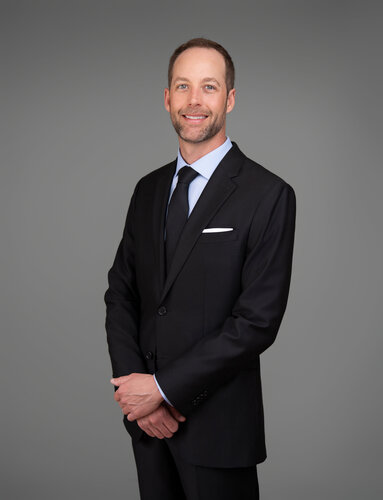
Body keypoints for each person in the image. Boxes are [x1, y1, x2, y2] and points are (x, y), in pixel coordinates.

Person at [104, 37, 296, 500]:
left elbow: (255, 323)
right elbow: (121, 294)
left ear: (229, 98)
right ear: (167, 97)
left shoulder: (268, 194)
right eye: (183, 86)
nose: (194, 100)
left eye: (209, 87)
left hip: (219, 430)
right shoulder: (147, 190)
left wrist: (163, 390)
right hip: (150, 431)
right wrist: (139, 398)